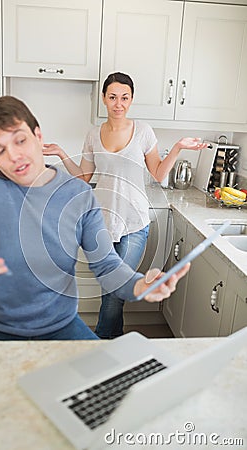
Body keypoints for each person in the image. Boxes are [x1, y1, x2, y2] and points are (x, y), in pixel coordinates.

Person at [0, 95, 190, 342]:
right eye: (0, 150)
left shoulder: (79, 195)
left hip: (59, 327)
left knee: (113, 375)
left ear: (38, 136)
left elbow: (107, 266)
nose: (14, 156)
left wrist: (141, 285)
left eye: (20, 141)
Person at [43, 72, 208, 339]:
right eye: (113, 97)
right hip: (102, 223)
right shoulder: (93, 135)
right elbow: (84, 177)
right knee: (112, 290)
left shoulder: (143, 131)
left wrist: (178, 147)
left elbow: (157, 173)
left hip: (134, 223)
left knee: (114, 289)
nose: (118, 103)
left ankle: (99, 342)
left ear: (131, 100)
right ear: (104, 99)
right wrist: (62, 152)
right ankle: (114, 342)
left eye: (125, 97)